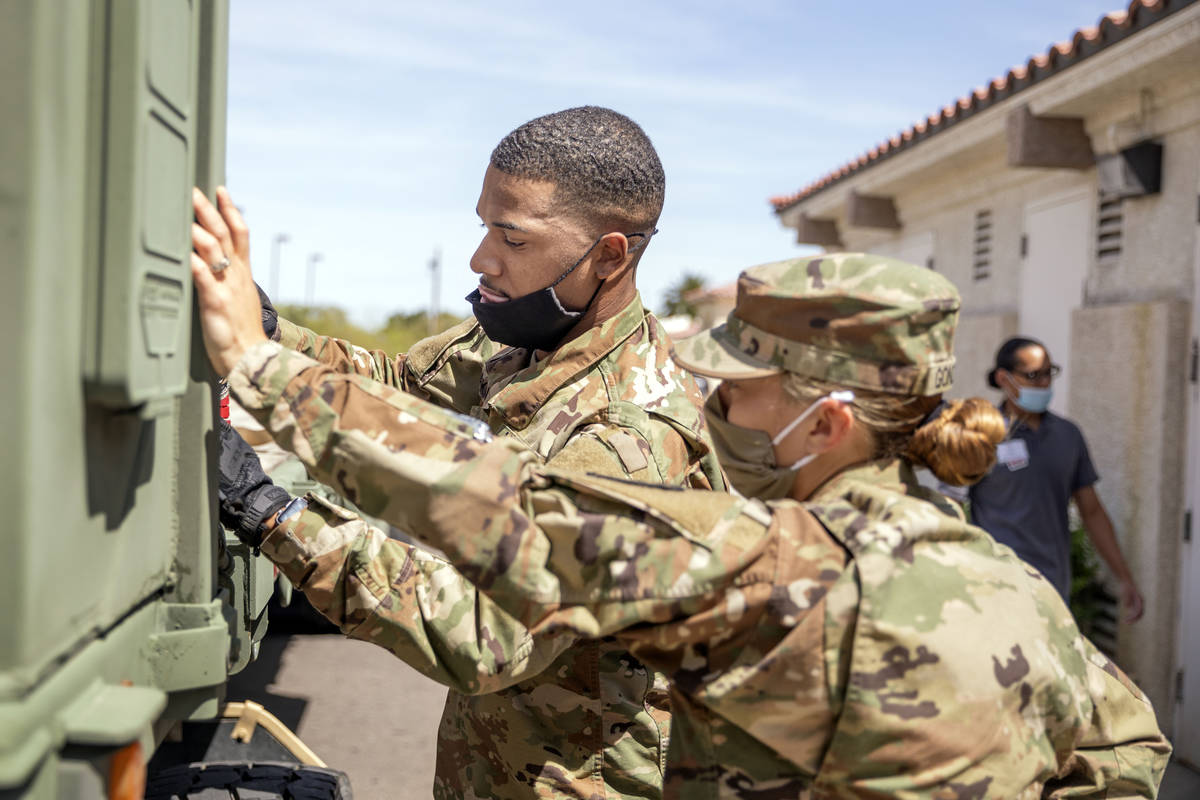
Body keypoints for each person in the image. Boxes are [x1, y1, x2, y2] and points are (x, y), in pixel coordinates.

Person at [195, 248, 1168, 798]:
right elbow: (1132, 754)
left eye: (740, 396)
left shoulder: (776, 570)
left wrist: (263, 378)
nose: (713, 416)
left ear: (824, 420)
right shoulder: (1014, 586)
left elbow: (508, 516)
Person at [194, 106, 727, 800]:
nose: (482, 259)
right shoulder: (528, 341)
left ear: (608, 255)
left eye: (511, 236)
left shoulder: (629, 441)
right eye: (484, 227)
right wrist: (265, 330)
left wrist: (271, 513)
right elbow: (396, 382)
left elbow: (481, 631)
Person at [969, 336, 1145, 622]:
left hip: (1053, 590)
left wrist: (1124, 577)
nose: (1044, 384)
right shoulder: (980, 435)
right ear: (1004, 378)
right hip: (996, 587)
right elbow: (951, 505)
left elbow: (1092, 512)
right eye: (1033, 375)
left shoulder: (1067, 435)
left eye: (1049, 373)